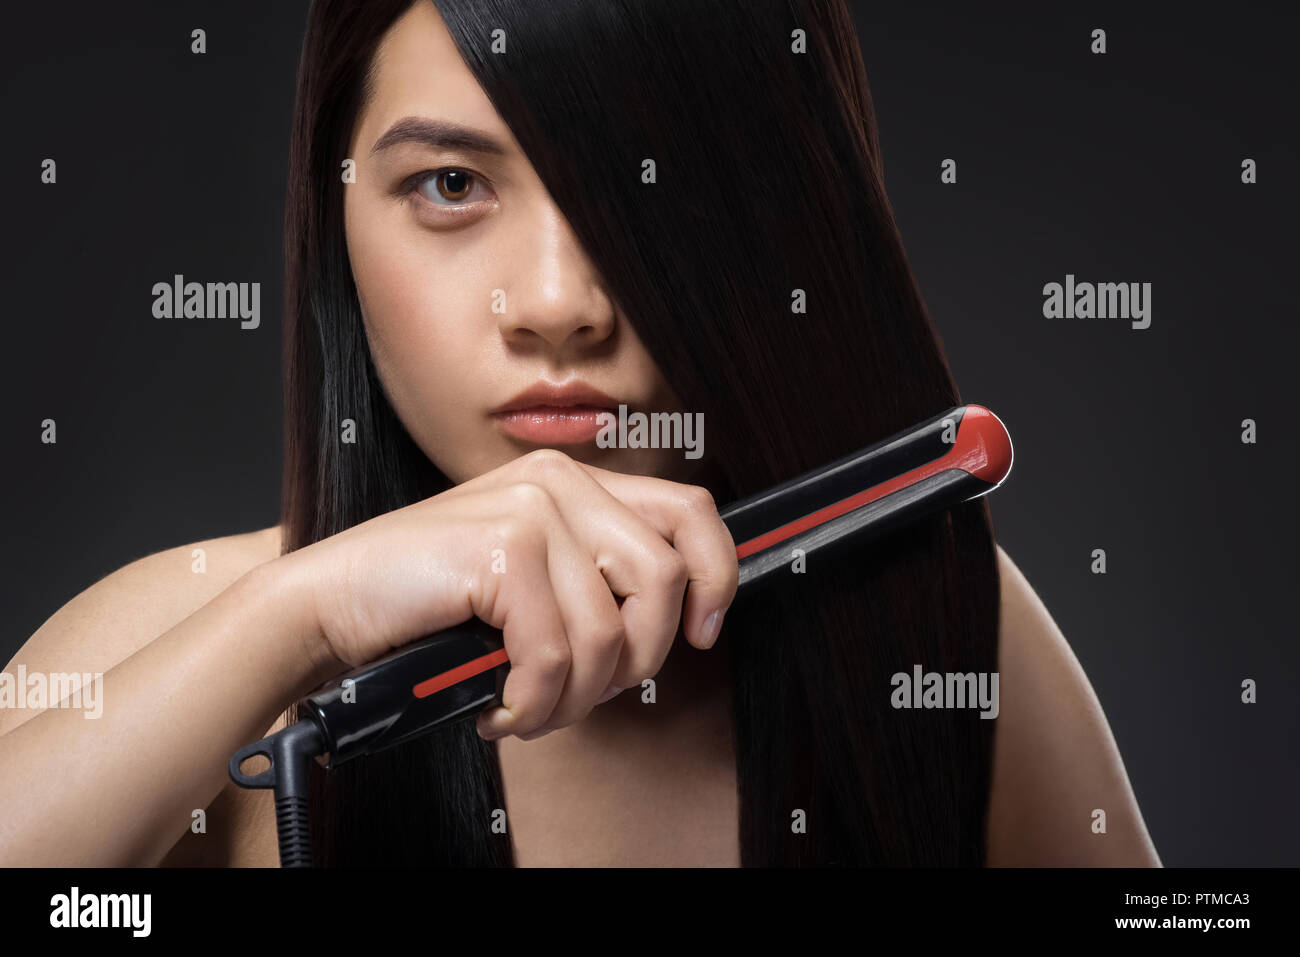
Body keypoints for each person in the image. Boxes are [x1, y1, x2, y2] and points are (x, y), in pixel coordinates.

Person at [0, 0, 1160, 867]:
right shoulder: (186, 636)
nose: (558, 302)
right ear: (336, 212)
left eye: (645, 190)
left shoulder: (946, 632)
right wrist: (300, 615)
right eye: (451, 184)